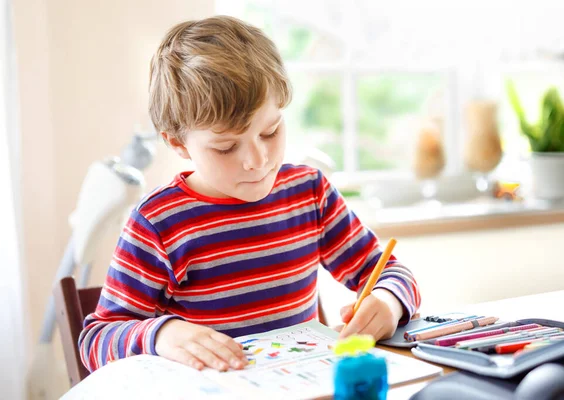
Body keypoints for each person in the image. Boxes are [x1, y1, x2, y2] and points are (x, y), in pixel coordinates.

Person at [79, 15, 420, 373]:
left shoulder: (309, 194)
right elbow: (97, 340)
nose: (257, 161)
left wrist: (388, 301)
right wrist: (162, 335)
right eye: (226, 148)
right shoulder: (158, 223)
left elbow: (392, 273)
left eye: (270, 132)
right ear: (178, 143)